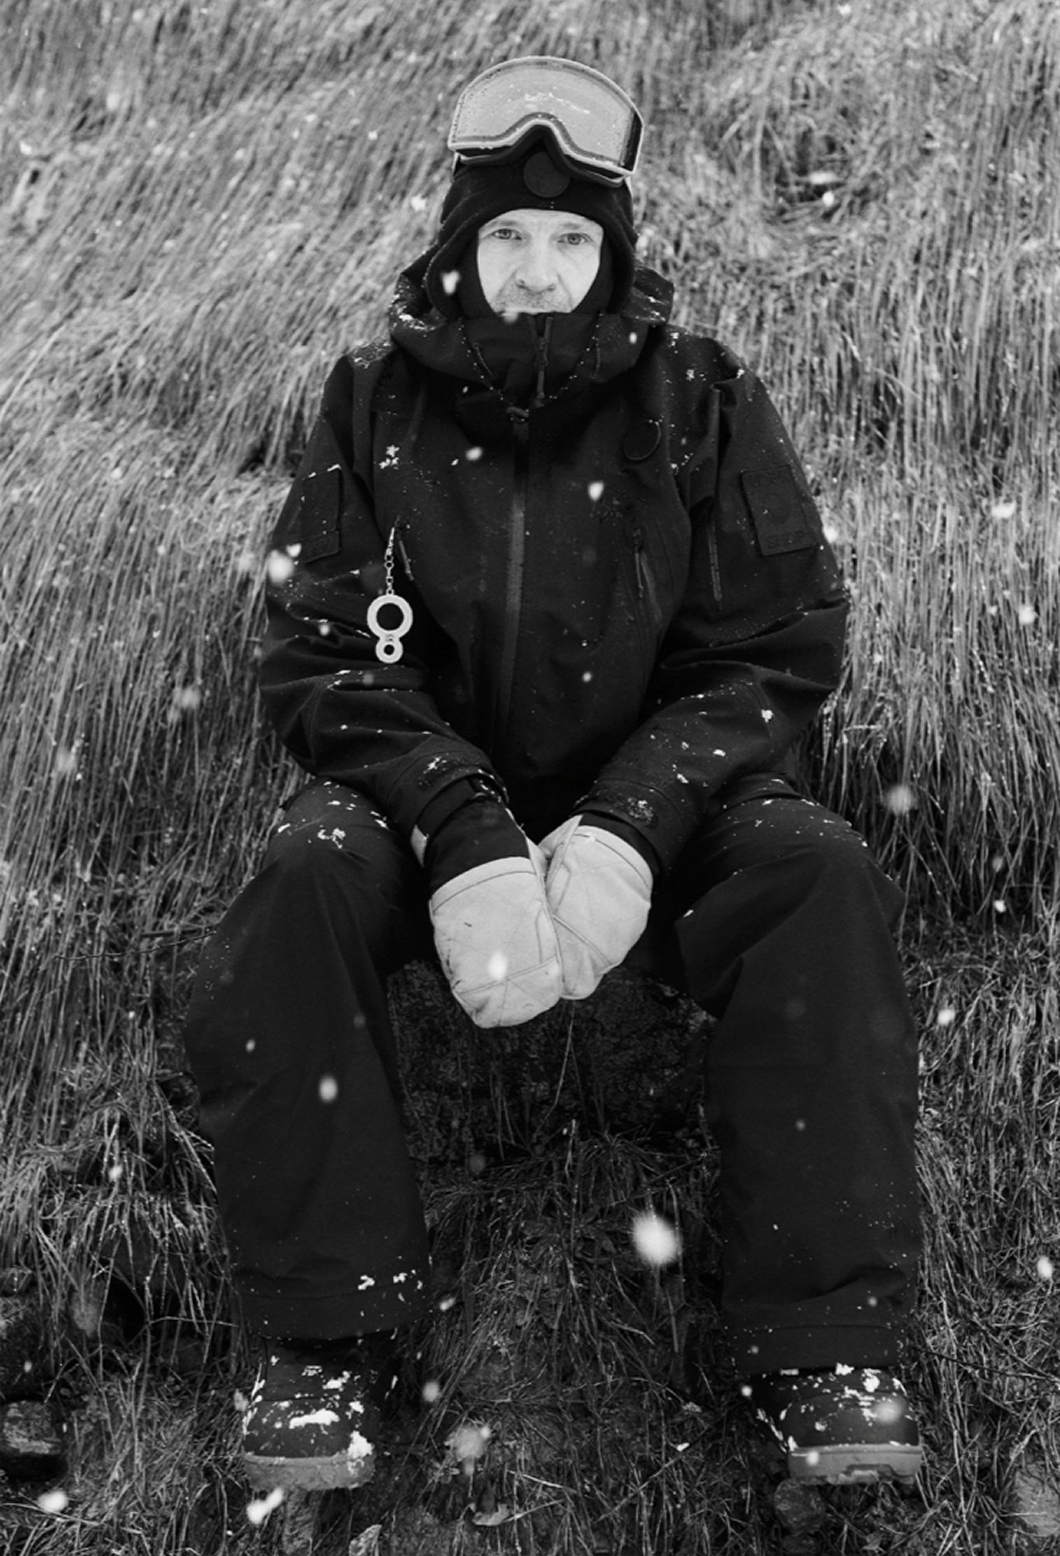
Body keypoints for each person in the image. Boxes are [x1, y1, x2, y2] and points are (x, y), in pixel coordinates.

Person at [184, 56, 922, 1493]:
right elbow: (323, 651)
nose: (538, 269)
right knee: (297, 890)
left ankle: (823, 1347)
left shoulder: (701, 396)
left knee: (820, 879)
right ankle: (331, 1350)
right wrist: (458, 823)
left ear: (613, 249)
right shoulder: (367, 401)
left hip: (669, 805)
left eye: (571, 238)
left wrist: (633, 823)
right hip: (423, 807)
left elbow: (773, 647)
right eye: (508, 238)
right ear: (460, 247)